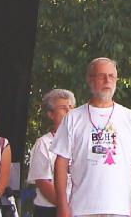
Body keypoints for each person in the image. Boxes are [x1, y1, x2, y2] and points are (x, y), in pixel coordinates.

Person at [51, 57, 131, 217]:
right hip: (81, 209)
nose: (107, 80)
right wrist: (62, 205)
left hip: (119, 209)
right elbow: (61, 163)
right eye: (101, 75)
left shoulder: (128, 117)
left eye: (111, 76)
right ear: (90, 79)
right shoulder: (73, 117)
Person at [27, 89, 76, 217]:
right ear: (51, 114)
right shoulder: (43, 143)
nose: (68, 111)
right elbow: (43, 183)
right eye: (63, 107)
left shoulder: (81, 142)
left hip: (79, 208)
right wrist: (65, 207)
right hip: (51, 210)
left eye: (71, 107)